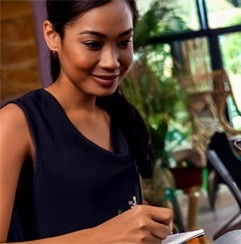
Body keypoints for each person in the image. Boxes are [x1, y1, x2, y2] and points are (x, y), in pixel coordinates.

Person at [0, 0, 173, 242]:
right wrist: (103, 237)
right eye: (93, 44)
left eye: (124, 42)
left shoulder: (120, 119)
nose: (111, 62)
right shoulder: (17, 124)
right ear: (52, 36)